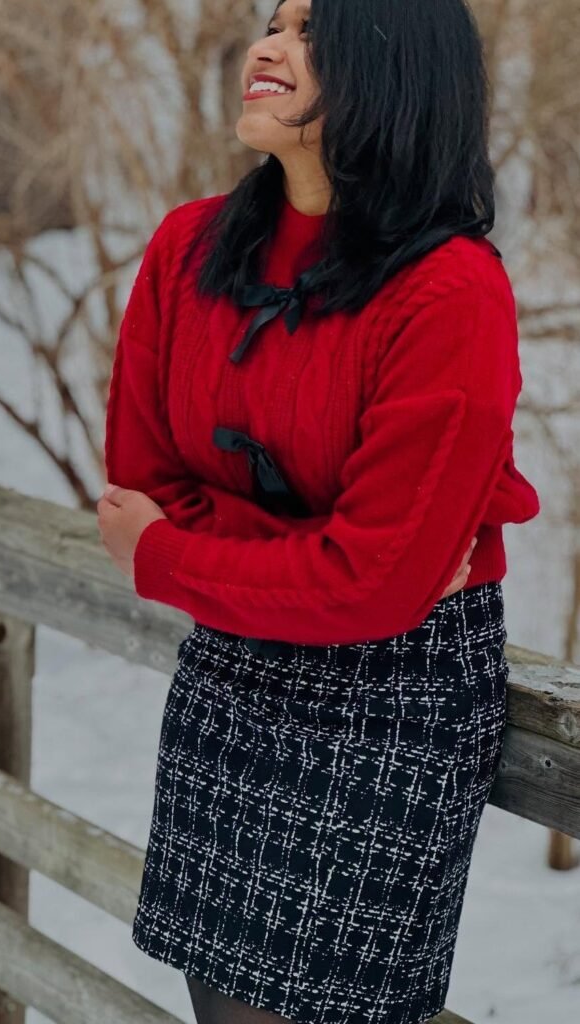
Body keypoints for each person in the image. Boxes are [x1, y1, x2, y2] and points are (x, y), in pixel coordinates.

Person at [97, 1, 541, 1021]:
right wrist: (323, 558)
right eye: (271, 21)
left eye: (308, 31)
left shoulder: (448, 291)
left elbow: (373, 590)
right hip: (231, 671)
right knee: (217, 998)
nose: (267, 45)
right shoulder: (186, 248)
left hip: (389, 700)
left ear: (390, 69)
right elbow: (143, 485)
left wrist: (184, 553)